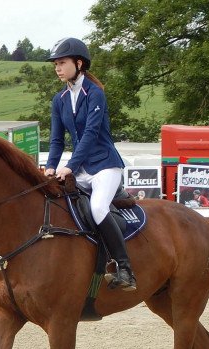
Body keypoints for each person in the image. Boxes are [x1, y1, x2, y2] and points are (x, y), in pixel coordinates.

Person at [44, 37, 136, 291]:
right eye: (55, 65)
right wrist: (51, 166)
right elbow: (55, 139)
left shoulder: (95, 94)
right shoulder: (59, 99)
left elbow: (90, 135)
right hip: (82, 169)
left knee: (97, 207)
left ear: (79, 63)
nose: (57, 68)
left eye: (62, 63)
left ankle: (125, 268)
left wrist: (70, 166)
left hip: (105, 165)